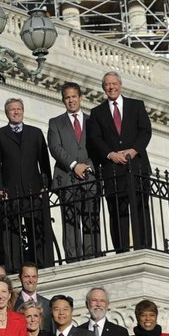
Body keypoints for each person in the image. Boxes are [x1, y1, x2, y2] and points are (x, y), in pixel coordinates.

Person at [85, 71, 154, 253]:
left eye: (114, 83)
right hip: (112, 170)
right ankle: (121, 249)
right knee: (116, 210)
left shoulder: (136, 106)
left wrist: (133, 150)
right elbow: (95, 138)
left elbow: (145, 131)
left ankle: (144, 246)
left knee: (140, 207)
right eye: (107, 84)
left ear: (120, 85)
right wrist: (110, 154)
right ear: (103, 88)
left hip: (137, 165)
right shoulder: (97, 112)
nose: (111, 87)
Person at [0, 98, 52, 270]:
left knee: (36, 229)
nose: (16, 112)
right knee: (12, 233)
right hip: (11, 191)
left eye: (18, 109)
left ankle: (41, 263)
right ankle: (15, 267)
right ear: (7, 113)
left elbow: (44, 162)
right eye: (12, 110)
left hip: (34, 190)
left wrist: (46, 185)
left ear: (23, 111)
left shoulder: (36, 133)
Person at [46, 82, 100, 261]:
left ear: (80, 98)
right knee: (70, 221)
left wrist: (88, 165)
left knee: (91, 217)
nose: (71, 100)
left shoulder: (92, 121)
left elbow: (98, 145)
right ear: (63, 100)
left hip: (89, 176)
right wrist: (74, 164)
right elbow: (55, 147)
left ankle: (92, 255)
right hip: (66, 178)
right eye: (67, 97)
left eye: (74, 97)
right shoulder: (55, 122)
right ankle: (73, 258)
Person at [13, 263, 52, 332]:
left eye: (34, 276)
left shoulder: (47, 304)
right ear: (20, 278)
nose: (31, 280)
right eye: (27, 276)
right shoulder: (12, 304)